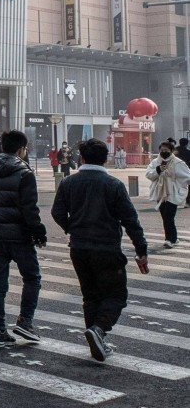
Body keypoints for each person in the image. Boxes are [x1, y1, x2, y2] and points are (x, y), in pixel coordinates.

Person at [51, 138, 148, 362]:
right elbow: (130, 220)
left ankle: (95, 337)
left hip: (79, 247)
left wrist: (72, 228)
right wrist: (141, 249)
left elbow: (57, 213)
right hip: (106, 248)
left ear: (82, 158)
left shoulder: (68, 183)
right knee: (116, 295)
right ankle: (99, 330)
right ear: (105, 159)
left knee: (90, 295)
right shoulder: (113, 184)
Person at [0, 129, 46, 347]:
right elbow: (30, 209)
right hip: (19, 237)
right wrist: (38, 232)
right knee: (32, 278)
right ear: (21, 149)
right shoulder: (25, 174)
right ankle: (25, 322)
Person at [146, 141, 190, 248]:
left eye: (166, 151)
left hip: (172, 193)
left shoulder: (178, 163)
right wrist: (158, 170)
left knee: (168, 216)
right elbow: (149, 175)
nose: (164, 152)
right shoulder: (156, 162)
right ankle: (173, 237)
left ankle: (169, 239)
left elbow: (187, 176)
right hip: (160, 193)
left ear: (171, 150)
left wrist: (180, 187)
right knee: (165, 216)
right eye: (162, 151)